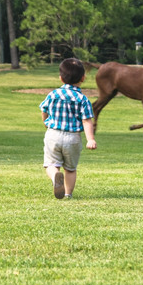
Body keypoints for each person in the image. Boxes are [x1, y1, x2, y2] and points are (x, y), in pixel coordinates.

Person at [39, 58, 97, 199]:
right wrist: (90, 139)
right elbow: (86, 120)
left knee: (51, 164)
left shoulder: (53, 94)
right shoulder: (82, 99)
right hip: (73, 137)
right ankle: (67, 194)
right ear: (83, 78)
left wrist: (46, 122)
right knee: (70, 169)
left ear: (60, 78)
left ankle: (55, 178)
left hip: (53, 134)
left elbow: (43, 109)